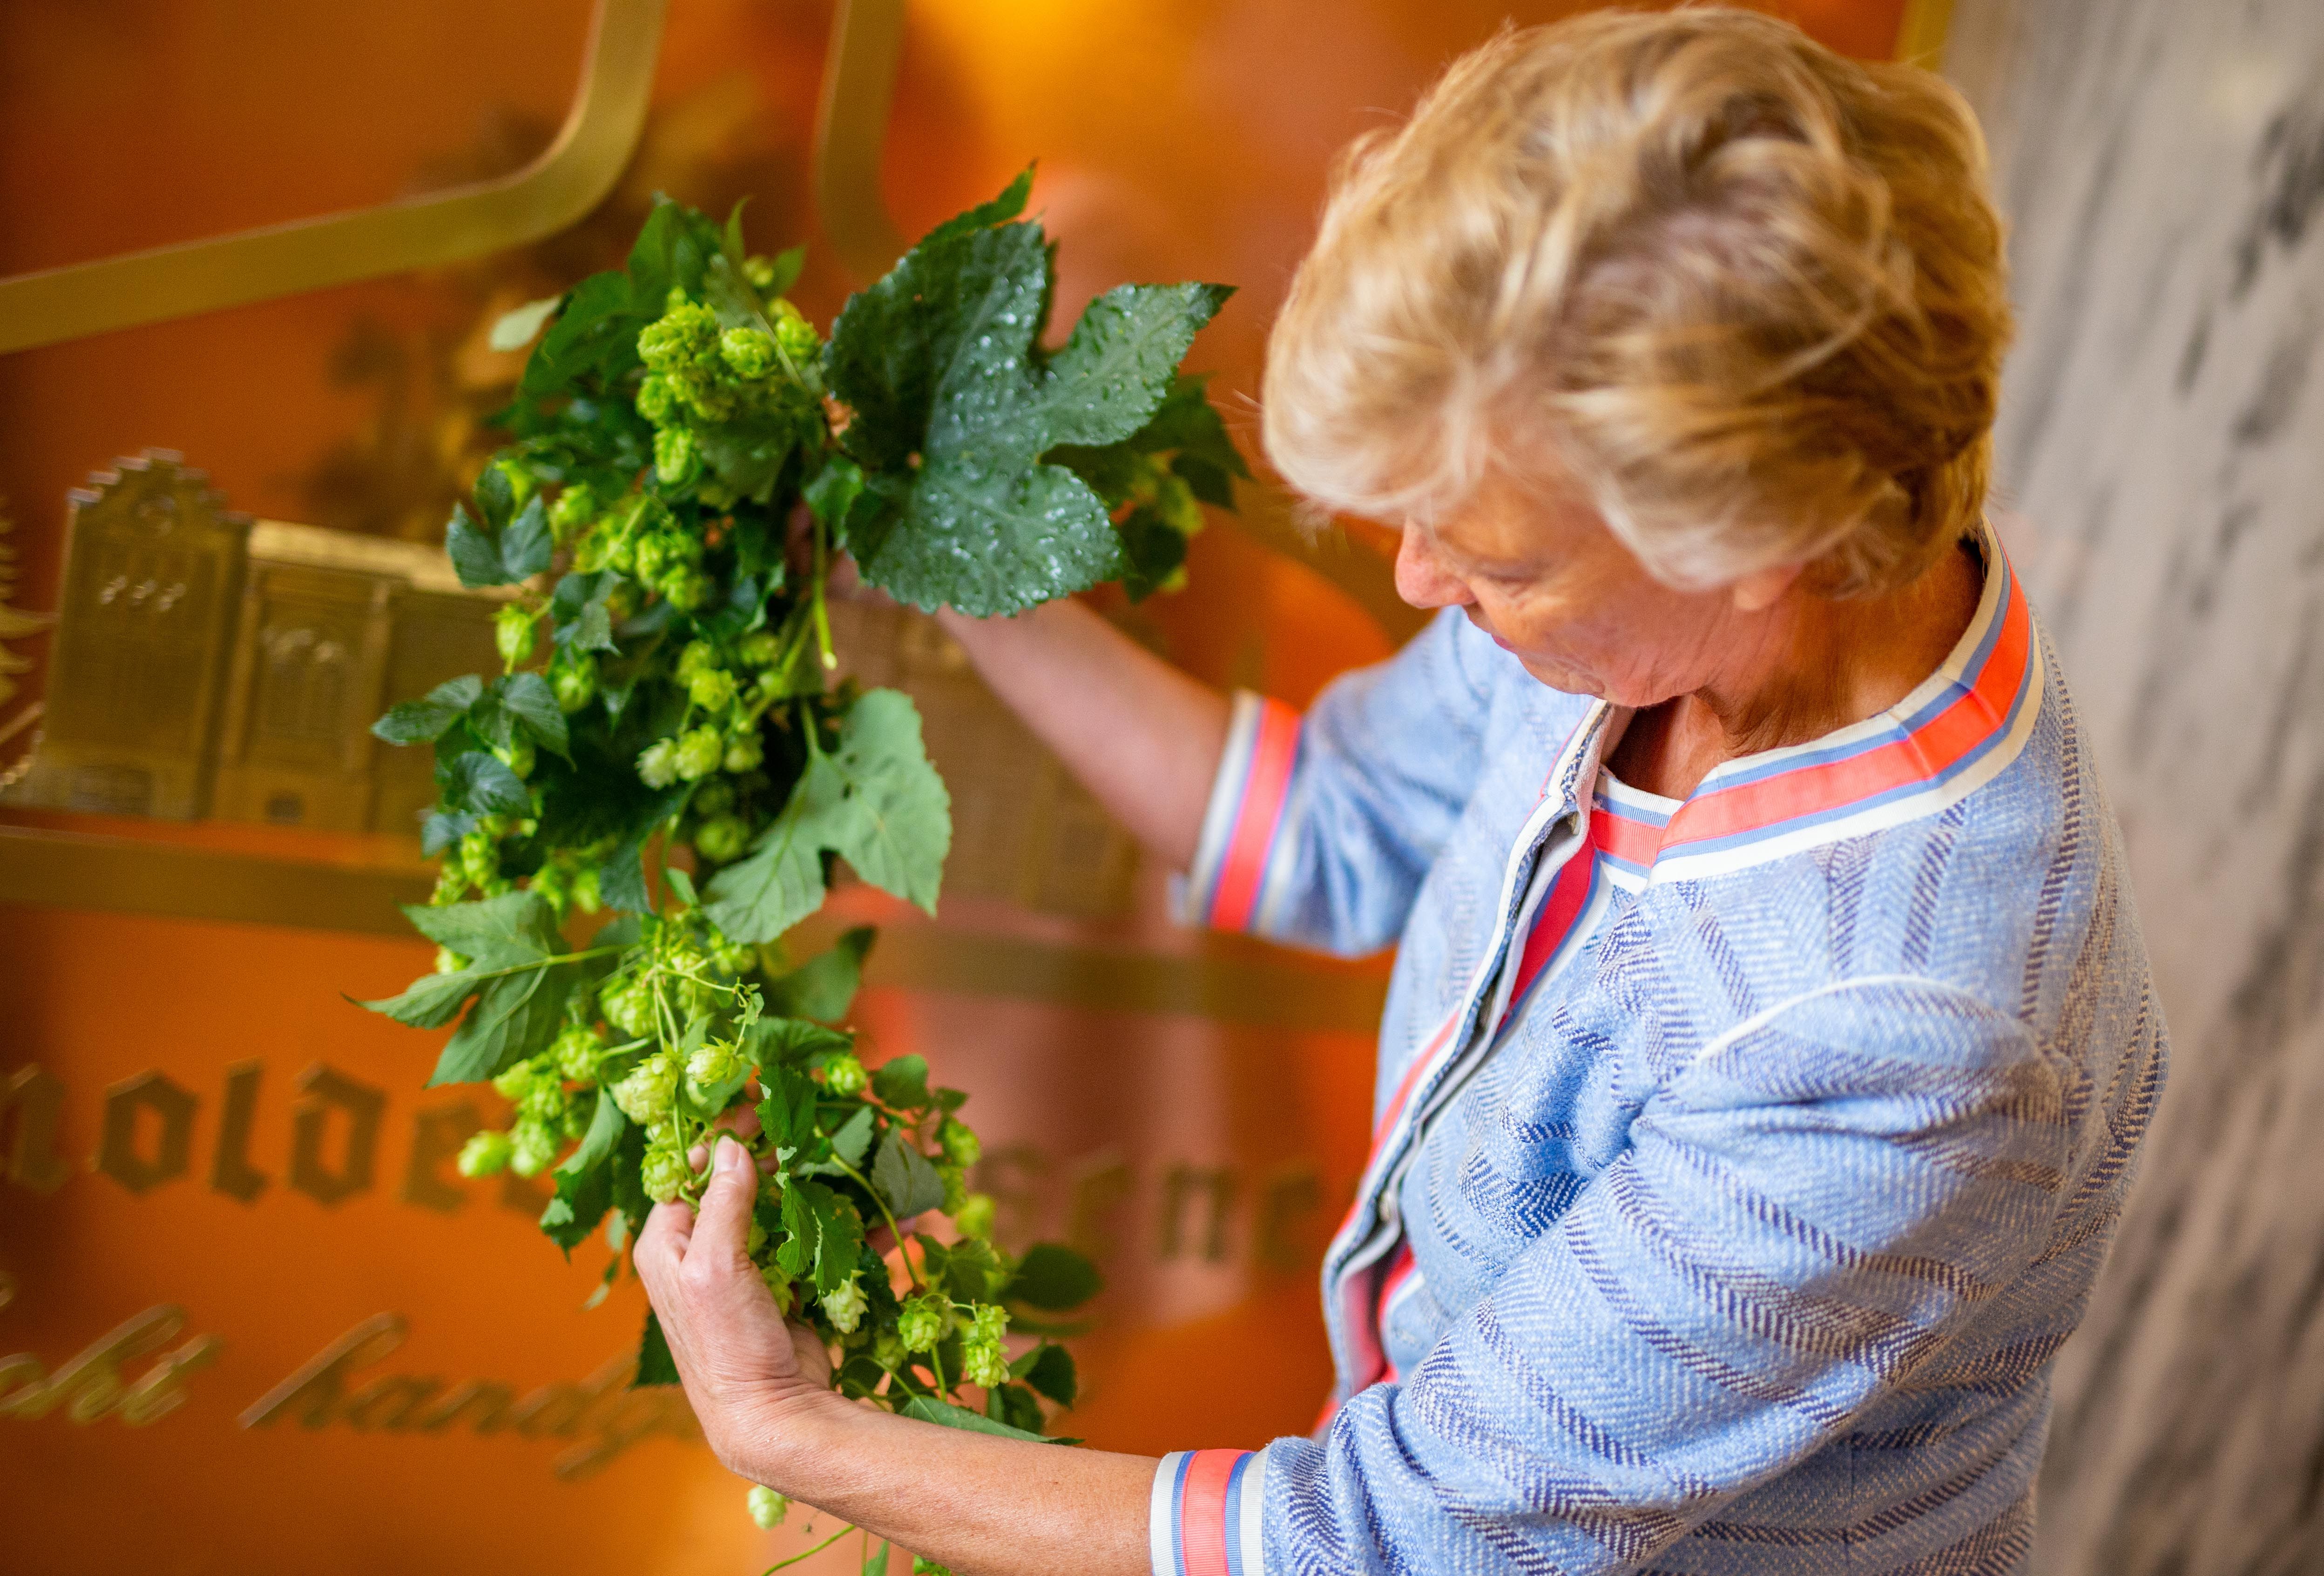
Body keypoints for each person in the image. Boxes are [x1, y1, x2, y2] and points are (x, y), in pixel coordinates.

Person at [635, 9, 2166, 1573]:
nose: (1425, 583)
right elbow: (1333, 820)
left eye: (1490, 554)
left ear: (1758, 536)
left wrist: (789, 1429)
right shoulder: (1664, 606)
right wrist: (947, 564)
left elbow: (1381, 1540)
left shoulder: (1905, 1026)